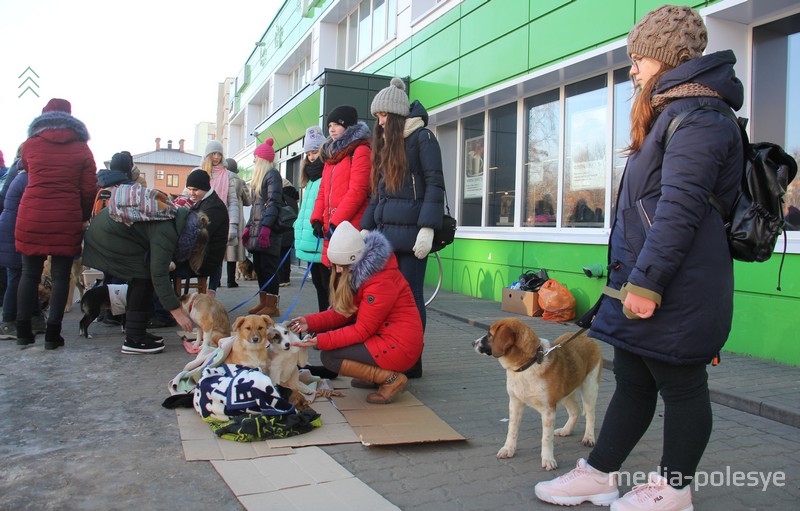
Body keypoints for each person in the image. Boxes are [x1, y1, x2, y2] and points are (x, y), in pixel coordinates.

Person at [534, 6, 744, 511]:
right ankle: (600, 475)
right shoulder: (674, 112)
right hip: (649, 277)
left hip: (677, 285)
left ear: (670, 58)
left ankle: (674, 491)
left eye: (640, 58)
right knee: (633, 378)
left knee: (682, 385)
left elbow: (679, 210)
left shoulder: (701, 117)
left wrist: (646, 284)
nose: (633, 68)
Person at [362, 77, 445, 378]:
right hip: (385, 238)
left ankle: (412, 362)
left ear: (396, 116)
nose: (380, 122)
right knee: (389, 302)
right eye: (377, 117)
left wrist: (427, 228)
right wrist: (365, 228)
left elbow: (436, 184)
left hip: (412, 239)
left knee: (411, 299)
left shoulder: (423, 139)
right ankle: (393, 358)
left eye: (384, 116)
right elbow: (378, 194)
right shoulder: (387, 145)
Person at [288, 221, 423, 404]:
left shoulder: (379, 282)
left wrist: (322, 340)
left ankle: (391, 380)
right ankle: (375, 375)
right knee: (333, 347)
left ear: (352, 260)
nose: (336, 270)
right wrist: (309, 322)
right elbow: (343, 312)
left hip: (400, 347)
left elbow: (361, 330)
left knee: (330, 356)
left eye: (339, 266)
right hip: (390, 339)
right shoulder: (366, 273)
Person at [15, 98, 97, 350]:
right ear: (70, 117)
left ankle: (23, 332)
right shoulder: (82, 148)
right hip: (66, 216)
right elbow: (88, 188)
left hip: (32, 214)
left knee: (28, 274)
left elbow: (27, 169)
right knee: (61, 276)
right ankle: (53, 334)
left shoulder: (30, 144)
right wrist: (82, 215)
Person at [83, 207, 208, 354]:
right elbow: (159, 275)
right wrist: (177, 312)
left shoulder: (176, 222)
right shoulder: (168, 231)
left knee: (144, 276)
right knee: (143, 277)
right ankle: (134, 340)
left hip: (108, 229)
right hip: (107, 236)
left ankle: (138, 332)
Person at [310, 105, 371, 269]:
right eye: (329, 126)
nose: (332, 129)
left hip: (349, 226)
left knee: (349, 282)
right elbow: (322, 191)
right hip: (331, 228)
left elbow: (358, 191)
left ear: (348, 125)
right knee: (333, 283)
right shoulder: (330, 154)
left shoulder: (360, 150)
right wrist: (316, 219)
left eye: (336, 124)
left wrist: (336, 223)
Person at [242, 138, 283, 317]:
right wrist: (248, 228)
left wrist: (265, 228)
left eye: (255, 157)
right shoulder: (260, 180)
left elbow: (274, 203)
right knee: (259, 267)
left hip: (268, 233)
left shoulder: (272, 175)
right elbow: (255, 209)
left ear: (262, 159)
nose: (253, 160)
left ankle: (272, 305)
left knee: (269, 268)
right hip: (257, 232)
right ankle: (263, 302)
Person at [294, 126, 330, 312]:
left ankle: (328, 324)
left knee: (326, 285)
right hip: (310, 239)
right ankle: (322, 320)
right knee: (318, 283)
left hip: (320, 239)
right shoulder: (311, 179)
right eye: (308, 153)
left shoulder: (326, 174)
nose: (311, 157)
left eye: (314, 152)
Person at [200, 140, 240, 294]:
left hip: (220, 222)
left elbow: (232, 202)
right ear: (207, 155)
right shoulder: (199, 172)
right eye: (213, 153)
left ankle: (211, 294)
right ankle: (201, 292)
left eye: (219, 154)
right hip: (200, 221)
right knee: (200, 257)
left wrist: (233, 225)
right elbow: (189, 195)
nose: (216, 157)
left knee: (216, 258)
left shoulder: (228, 175)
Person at [224, 157, 251, 288]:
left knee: (219, 251)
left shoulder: (219, 178)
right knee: (232, 250)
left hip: (221, 217)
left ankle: (215, 282)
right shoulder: (239, 181)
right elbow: (248, 200)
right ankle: (230, 280)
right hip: (236, 219)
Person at [278, 177, 299, 287]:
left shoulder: (281, 195)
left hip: (282, 226)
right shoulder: (292, 195)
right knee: (286, 254)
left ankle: (281, 279)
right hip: (291, 227)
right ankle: (286, 278)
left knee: (280, 253)